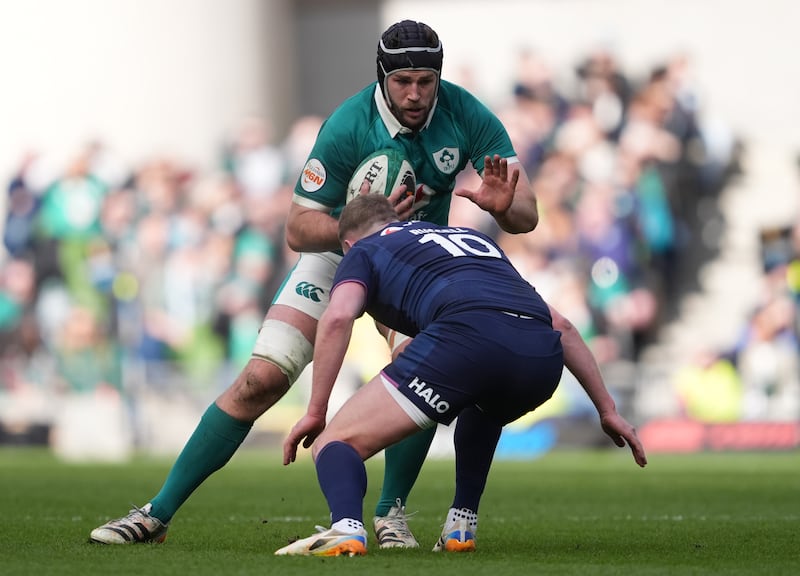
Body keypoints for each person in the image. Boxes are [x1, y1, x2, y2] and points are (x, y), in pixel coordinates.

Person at [89, 19, 539, 547]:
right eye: (402, 82)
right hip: (339, 255)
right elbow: (298, 228)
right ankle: (155, 514)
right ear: (381, 77)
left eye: (425, 80)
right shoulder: (348, 124)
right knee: (261, 379)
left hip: (418, 265)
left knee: (418, 366)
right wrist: (357, 226)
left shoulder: (469, 115)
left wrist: (506, 209)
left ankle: (390, 514)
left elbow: (526, 215)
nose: (415, 94)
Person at [275, 194, 648, 556]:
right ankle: (461, 524)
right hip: (540, 356)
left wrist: (315, 410)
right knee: (484, 403)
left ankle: (346, 529)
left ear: (348, 242)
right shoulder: (472, 238)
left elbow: (338, 316)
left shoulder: (363, 250)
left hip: (467, 338)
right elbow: (563, 325)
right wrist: (607, 408)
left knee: (335, 443)